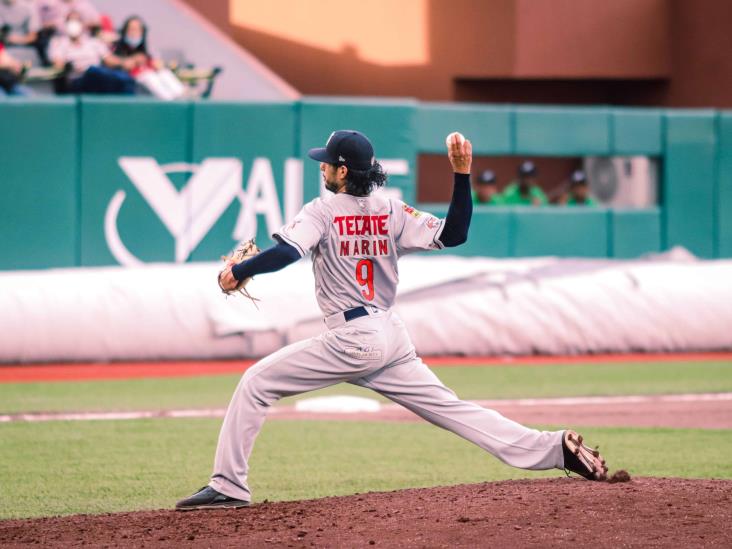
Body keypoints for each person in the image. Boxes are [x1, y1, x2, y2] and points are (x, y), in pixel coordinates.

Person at [175, 130, 608, 511]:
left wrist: (239, 270)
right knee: (451, 409)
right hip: (390, 335)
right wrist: (462, 176)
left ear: (343, 172)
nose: (322, 168)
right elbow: (454, 233)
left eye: (327, 162)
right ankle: (553, 449)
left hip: (353, 337)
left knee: (255, 382)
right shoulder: (390, 209)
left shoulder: (322, 210)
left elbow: (289, 252)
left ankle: (228, 485)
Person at [48, 10, 134, 95]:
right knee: (94, 72)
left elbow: (109, 59)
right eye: (70, 21)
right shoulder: (58, 43)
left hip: (99, 76)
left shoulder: (94, 42)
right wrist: (68, 66)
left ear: (82, 24)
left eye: (77, 21)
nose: (74, 24)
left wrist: (124, 62)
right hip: (78, 79)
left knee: (124, 78)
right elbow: (58, 64)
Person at [109, 15, 186, 101]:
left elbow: (156, 63)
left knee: (164, 73)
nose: (134, 33)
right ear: (125, 31)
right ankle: (169, 103)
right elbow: (110, 61)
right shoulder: (116, 46)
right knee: (150, 78)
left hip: (150, 72)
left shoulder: (145, 48)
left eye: (138, 30)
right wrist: (130, 61)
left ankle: (184, 99)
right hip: (135, 79)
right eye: (132, 29)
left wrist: (156, 64)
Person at [35, 0, 101, 65]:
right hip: (62, 42)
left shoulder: (84, 5)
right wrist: (53, 25)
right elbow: (41, 26)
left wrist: (84, 25)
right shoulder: (52, 5)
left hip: (83, 40)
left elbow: (97, 23)